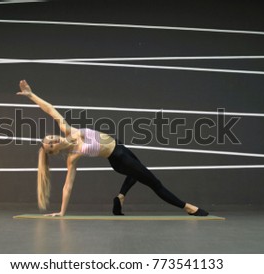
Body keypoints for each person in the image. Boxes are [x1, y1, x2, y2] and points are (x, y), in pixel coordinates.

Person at [16, 80, 209, 217]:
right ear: (55, 151)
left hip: (120, 146)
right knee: (153, 182)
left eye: (50, 138)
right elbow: (68, 186)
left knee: (139, 173)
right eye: (50, 145)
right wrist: (62, 211)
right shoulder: (72, 157)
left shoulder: (67, 129)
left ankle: (120, 197)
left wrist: (31, 95)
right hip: (118, 159)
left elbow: (49, 109)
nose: (52, 141)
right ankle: (188, 207)